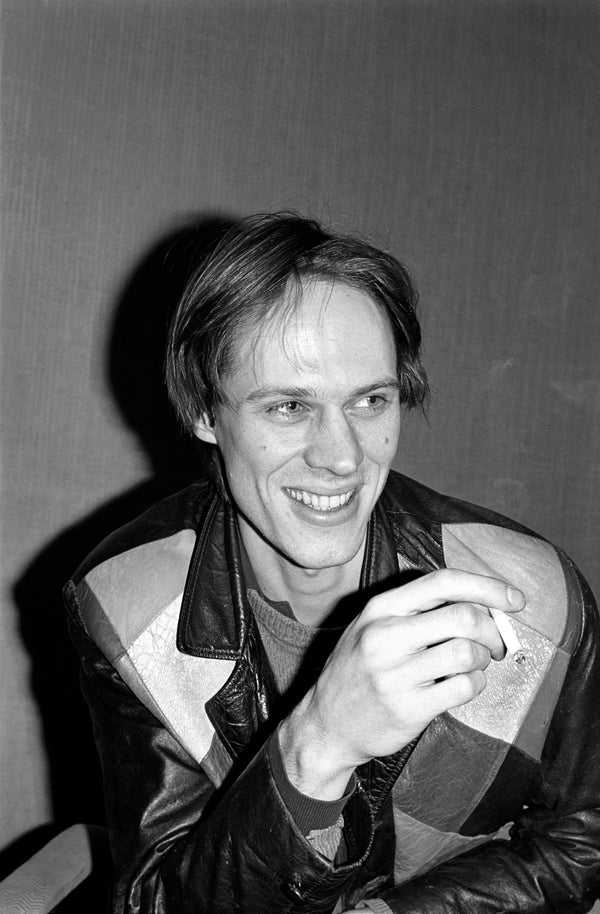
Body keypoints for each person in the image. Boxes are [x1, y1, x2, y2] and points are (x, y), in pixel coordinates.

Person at [64, 213, 600, 914]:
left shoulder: (535, 598)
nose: (343, 457)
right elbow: (156, 902)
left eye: (370, 400)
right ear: (202, 409)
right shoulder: (127, 605)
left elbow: (583, 841)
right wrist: (319, 743)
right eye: (289, 406)